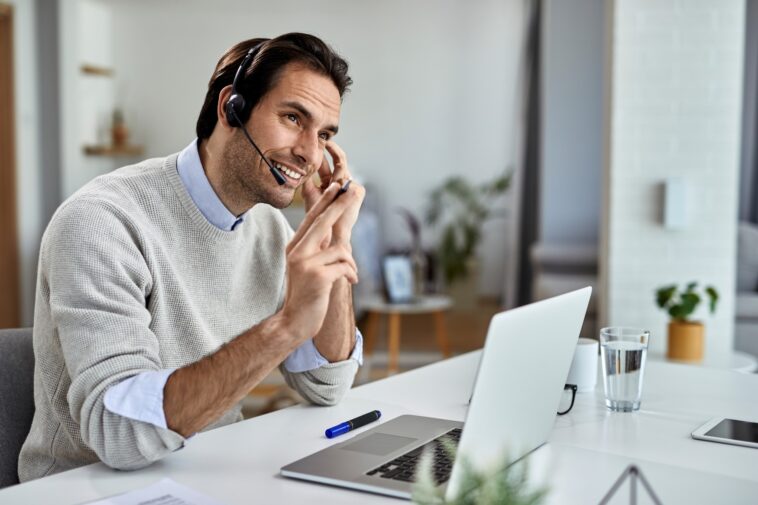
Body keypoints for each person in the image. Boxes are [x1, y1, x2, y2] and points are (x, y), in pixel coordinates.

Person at [18, 32, 366, 481]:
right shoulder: (102, 221)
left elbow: (328, 385)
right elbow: (117, 435)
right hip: (87, 487)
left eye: (324, 134)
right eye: (293, 118)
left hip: (209, 474)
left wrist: (330, 235)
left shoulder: (268, 232)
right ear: (231, 108)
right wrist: (285, 327)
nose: (310, 152)